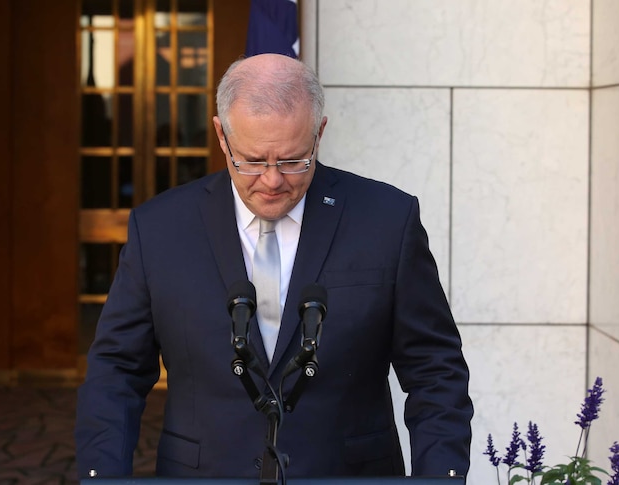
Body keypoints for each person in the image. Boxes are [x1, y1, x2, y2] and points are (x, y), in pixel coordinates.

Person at [75, 53, 473, 479]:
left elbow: (435, 370)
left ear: (319, 134)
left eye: (292, 161)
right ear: (221, 136)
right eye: (250, 160)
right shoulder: (159, 229)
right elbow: (116, 372)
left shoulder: (388, 221)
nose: (271, 180)